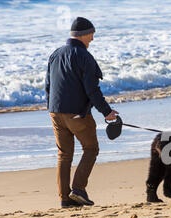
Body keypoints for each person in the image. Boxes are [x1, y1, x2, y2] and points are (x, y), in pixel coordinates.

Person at [45, 17, 118, 208]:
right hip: (76, 114)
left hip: (55, 112)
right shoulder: (84, 57)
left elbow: (48, 86)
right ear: (84, 35)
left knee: (64, 155)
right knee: (91, 148)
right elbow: (92, 91)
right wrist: (107, 112)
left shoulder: (55, 54)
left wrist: (51, 109)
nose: (92, 39)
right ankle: (78, 189)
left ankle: (64, 199)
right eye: (91, 35)